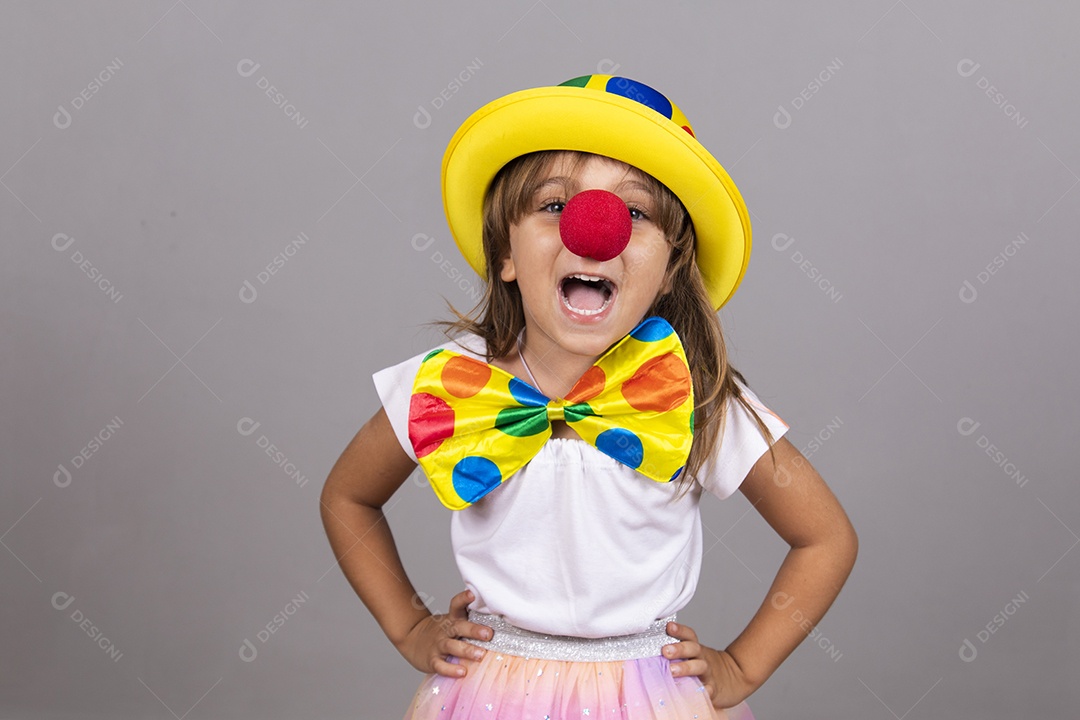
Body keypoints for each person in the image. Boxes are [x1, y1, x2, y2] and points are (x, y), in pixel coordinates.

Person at [320, 74, 858, 719]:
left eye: (634, 212)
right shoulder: (448, 386)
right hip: (492, 694)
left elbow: (825, 537)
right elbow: (348, 496)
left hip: (651, 698)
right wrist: (410, 627)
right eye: (554, 204)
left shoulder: (697, 398)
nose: (593, 230)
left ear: (667, 274)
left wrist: (741, 665)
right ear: (506, 256)